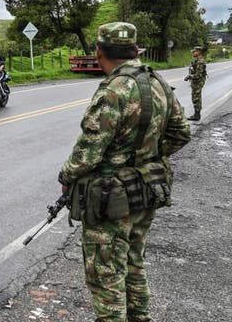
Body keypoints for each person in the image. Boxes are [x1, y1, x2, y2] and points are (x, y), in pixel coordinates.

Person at [58, 22, 191, 322]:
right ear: (135, 50)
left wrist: (66, 177)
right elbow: (181, 133)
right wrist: (147, 156)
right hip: (147, 189)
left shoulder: (114, 90)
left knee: (106, 275)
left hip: (112, 199)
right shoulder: (157, 82)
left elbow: (89, 152)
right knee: (133, 264)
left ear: (100, 52)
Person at [184, 46, 207, 121]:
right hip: (196, 82)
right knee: (195, 98)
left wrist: (189, 76)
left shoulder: (200, 62)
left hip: (198, 82)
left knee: (196, 98)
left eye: (194, 51)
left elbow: (198, 75)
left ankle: (197, 115)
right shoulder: (197, 61)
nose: (193, 53)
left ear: (199, 52)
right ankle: (196, 114)